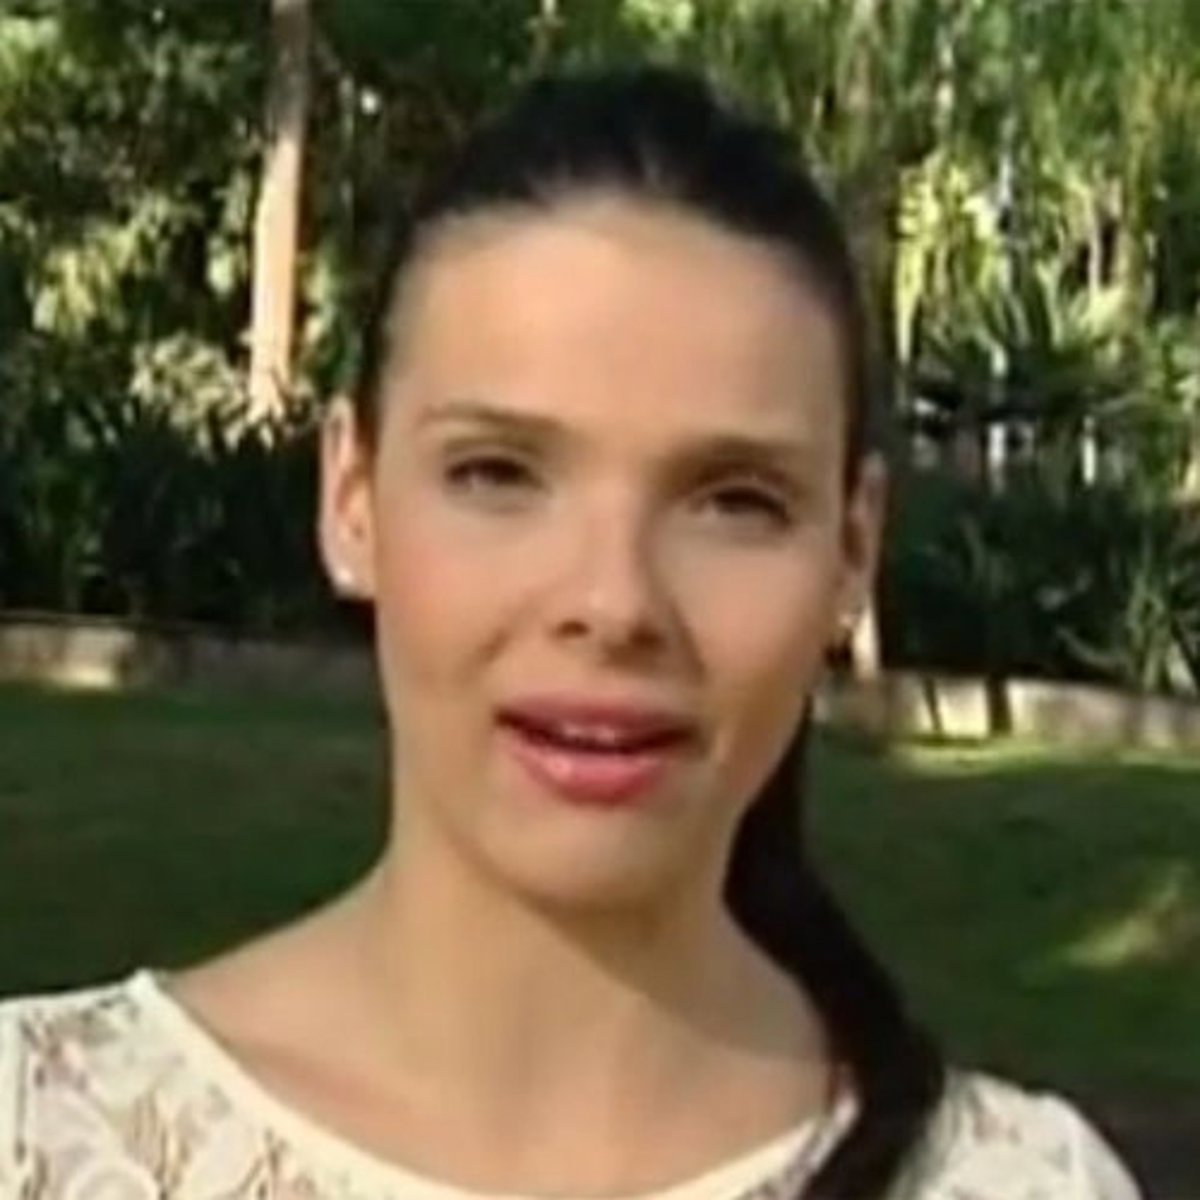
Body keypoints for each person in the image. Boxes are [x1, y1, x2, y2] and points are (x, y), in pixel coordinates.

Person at [0, 67, 1141, 1200]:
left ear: (852, 549)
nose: (614, 601)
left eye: (734, 500)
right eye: (497, 473)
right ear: (351, 500)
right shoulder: (41, 1134)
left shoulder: (1021, 1185)